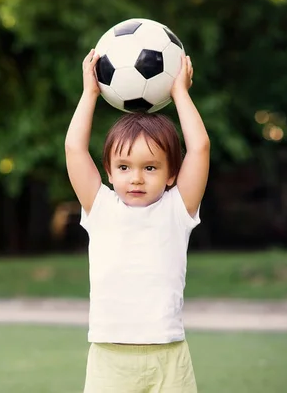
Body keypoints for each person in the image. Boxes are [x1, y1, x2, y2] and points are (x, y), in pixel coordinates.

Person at [64, 48, 210, 393]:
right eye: (125, 167)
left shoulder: (178, 209)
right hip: (109, 357)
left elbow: (200, 147)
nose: (137, 179)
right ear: (109, 173)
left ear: (172, 173)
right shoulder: (99, 206)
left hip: (169, 355)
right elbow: (74, 148)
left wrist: (180, 94)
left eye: (150, 167)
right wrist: (89, 94)